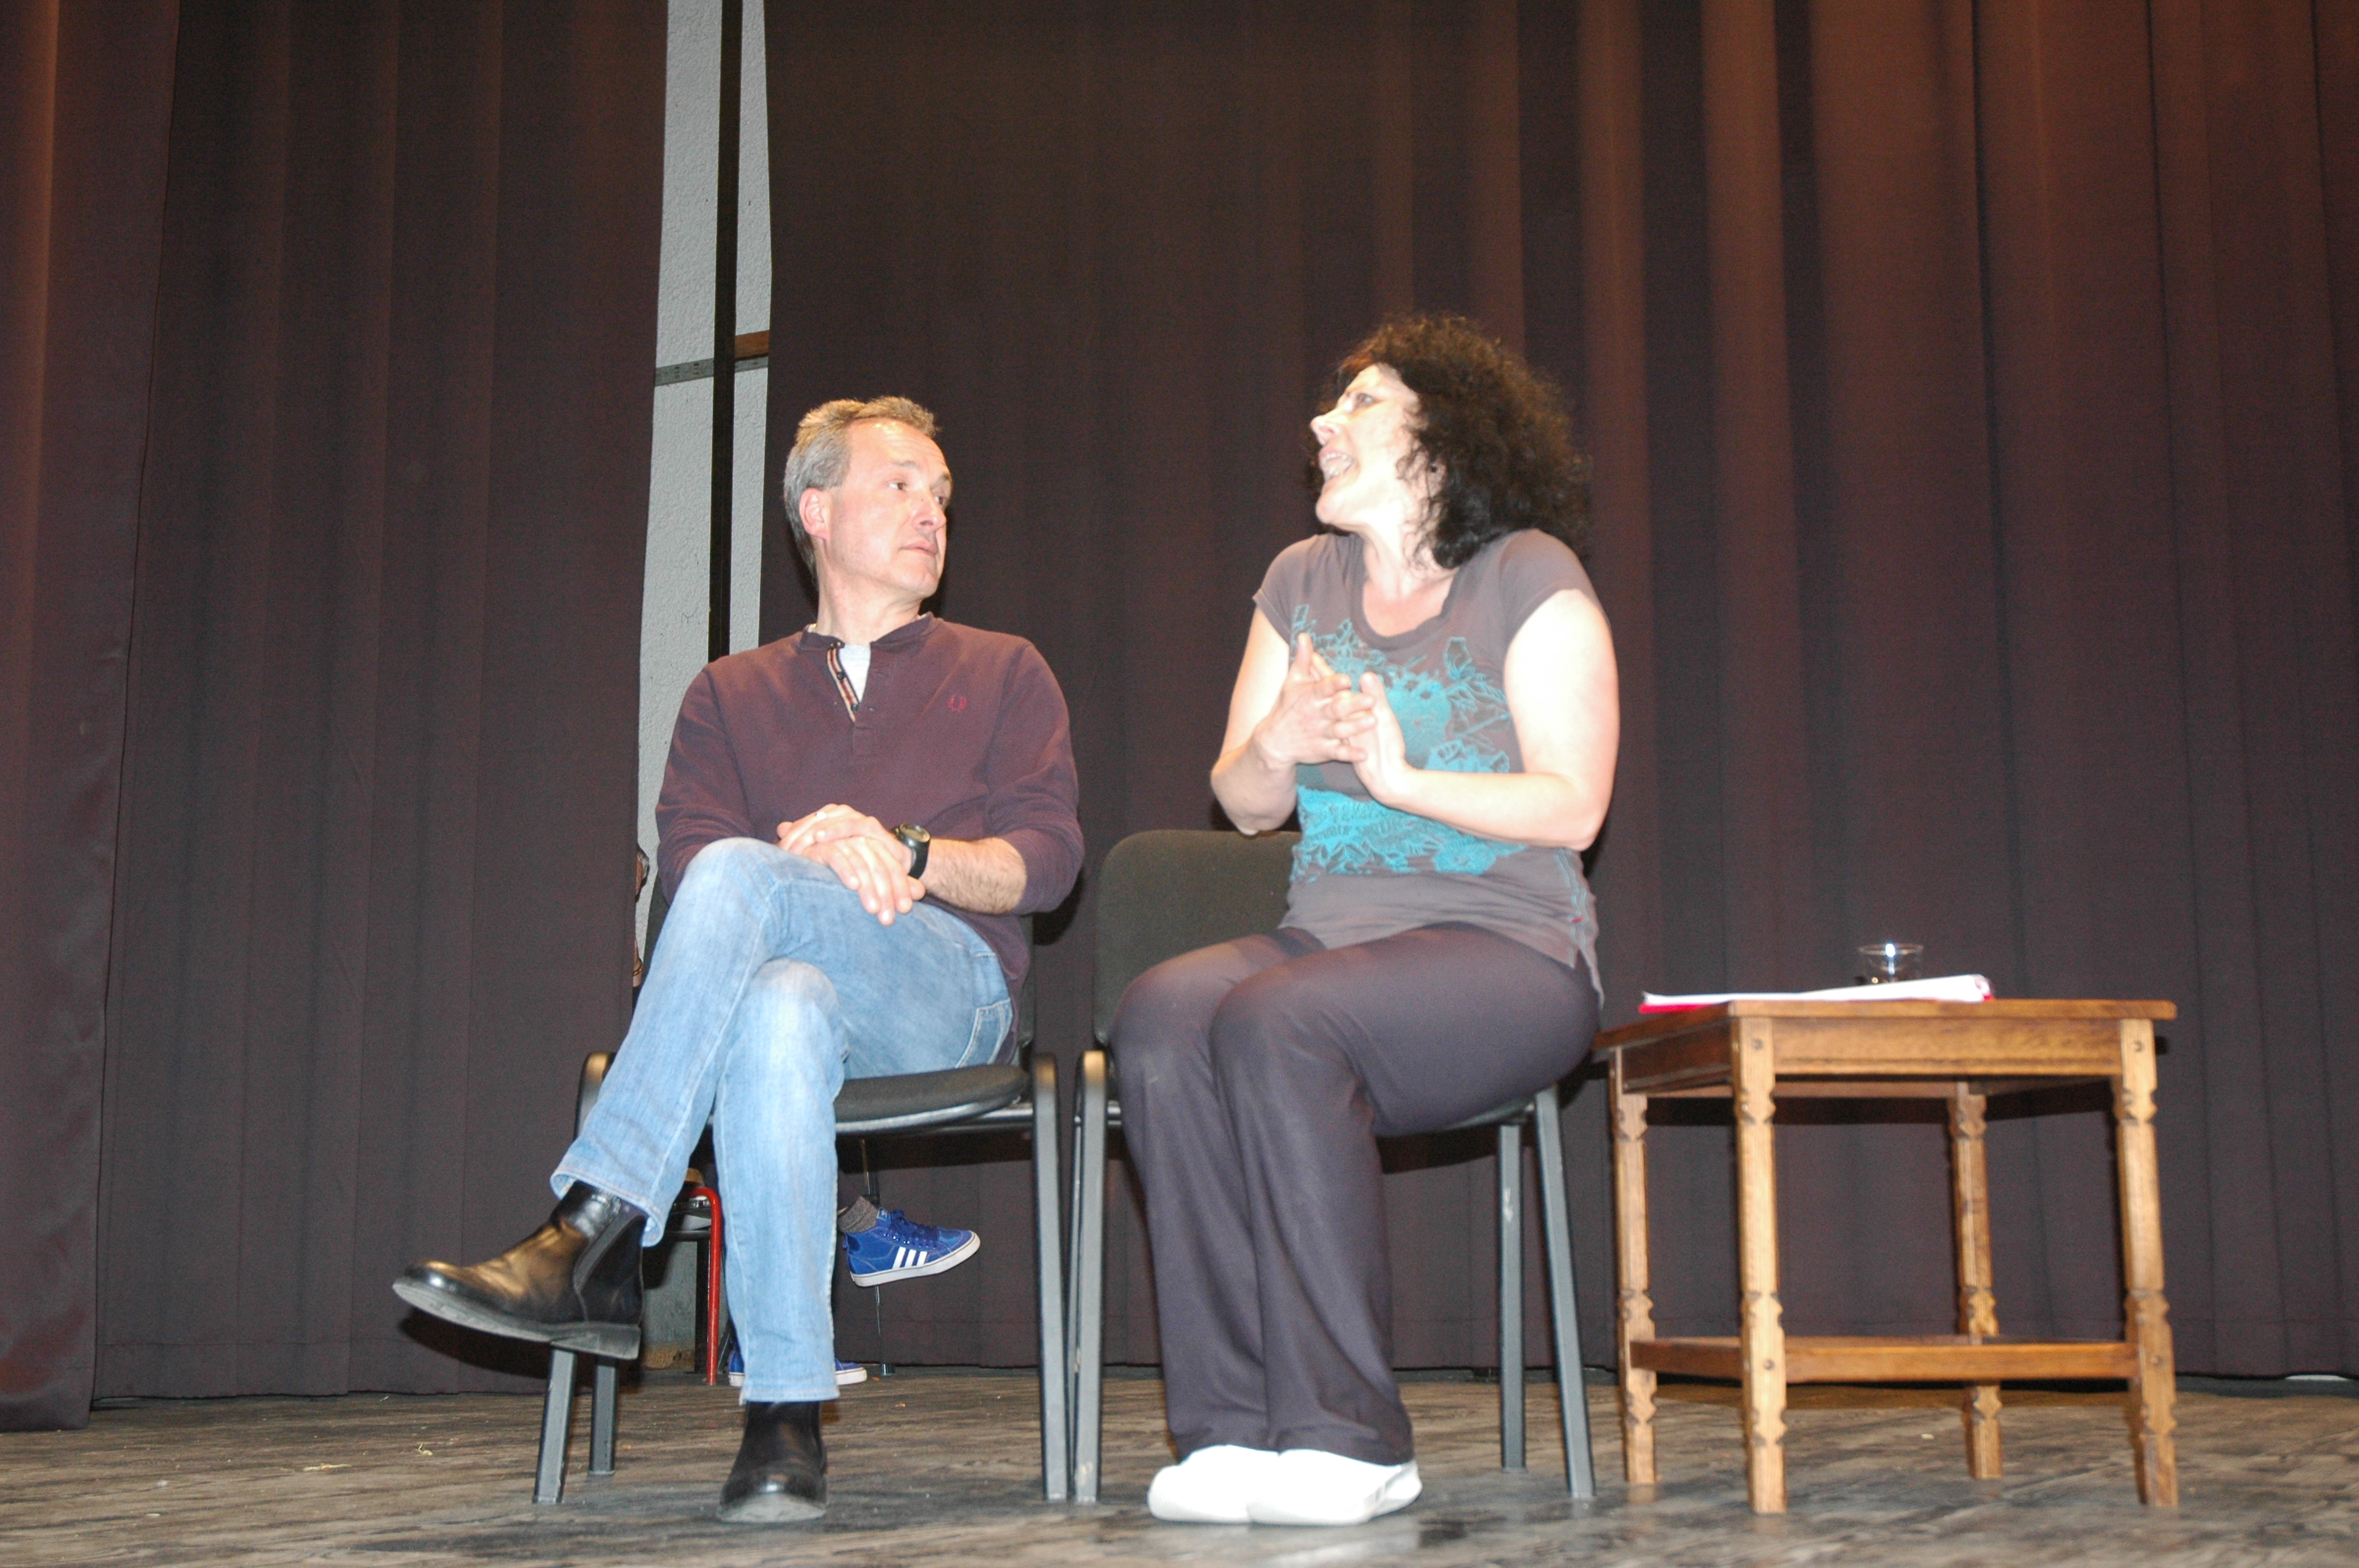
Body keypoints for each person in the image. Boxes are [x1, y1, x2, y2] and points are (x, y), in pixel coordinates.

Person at [394, 397, 1082, 1523]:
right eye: (900, 484)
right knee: (776, 1003)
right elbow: (690, 869)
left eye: (942, 495)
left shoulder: (1005, 669)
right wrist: (808, 861)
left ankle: (595, 1229)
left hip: (947, 994)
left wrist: (903, 851)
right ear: (817, 511)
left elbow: (1045, 865)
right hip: (790, 987)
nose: (933, 512)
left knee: (740, 881)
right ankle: (783, 1416)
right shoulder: (727, 693)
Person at [1114, 316, 1618, 1527]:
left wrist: (1402, 779)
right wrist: (1278, 742)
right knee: (1163, 1014)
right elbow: (1245, 803)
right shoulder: (1302, 580)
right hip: (1329, 940)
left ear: (1441, 444)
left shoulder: (1528, 572)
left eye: (1361, 405)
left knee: (1282, 1019)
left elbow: (1574, 803)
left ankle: (1350, 1438)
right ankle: (1231, 1431)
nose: (1321, 423)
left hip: (1508, 949)